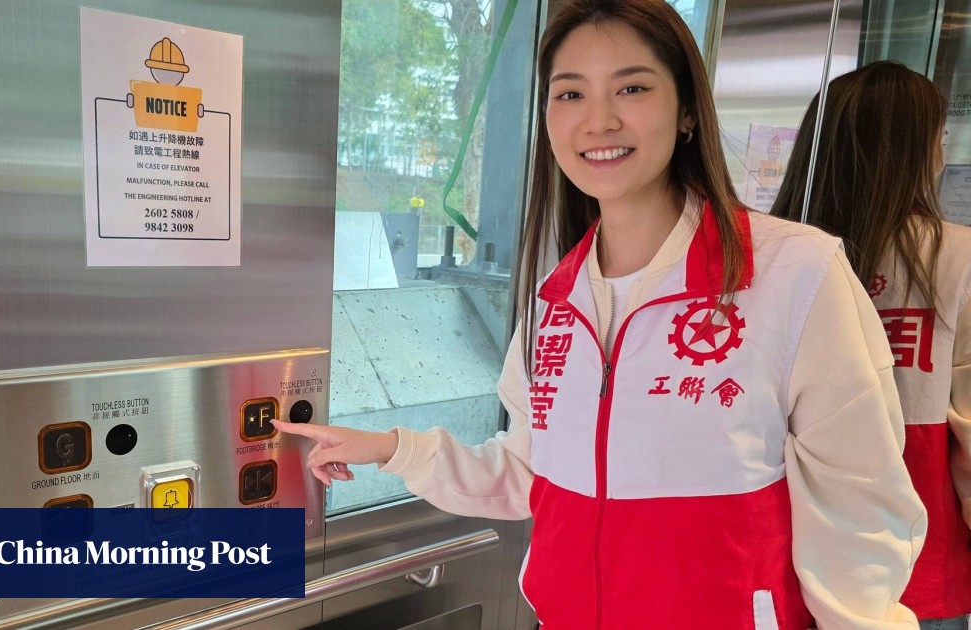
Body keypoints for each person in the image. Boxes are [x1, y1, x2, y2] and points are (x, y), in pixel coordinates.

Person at [276, 1, 928, 627]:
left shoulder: (793, 274)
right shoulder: (556, 300)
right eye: (570, 93)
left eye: (632, 89)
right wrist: (391, 449)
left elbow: (861, 508)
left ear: (687, 113)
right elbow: (529, 476)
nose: (598, 120)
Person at [770, 61, 971, 630]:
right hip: (913, 565)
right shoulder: (959, 257)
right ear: (917, 153)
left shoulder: (772, 258)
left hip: (784, 555)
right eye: (938, 140)